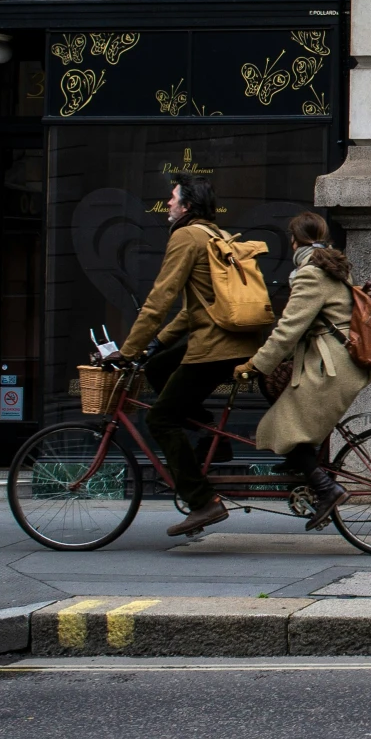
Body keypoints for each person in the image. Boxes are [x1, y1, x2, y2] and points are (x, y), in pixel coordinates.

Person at [121, 174, 267, 537]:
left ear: (186, 206)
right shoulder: (213, 234)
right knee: (158, 368)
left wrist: (128, 351)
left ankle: (203, 502)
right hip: (230, 340)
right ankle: (209, 437)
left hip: (215, 346)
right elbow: (194, 308)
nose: (168, 204)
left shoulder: (186, 236)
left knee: (161, 420)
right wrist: (156, 344)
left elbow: (159, 300)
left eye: (172, 198)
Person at [236, 211, 370, 530]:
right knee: (281, 403)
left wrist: (256, 363)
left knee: (283, 427)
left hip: (331, 368)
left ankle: (326, 489)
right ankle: (306, 469)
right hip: (335, 362)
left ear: (293, 240)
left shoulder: (311, 273)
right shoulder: (333, 266)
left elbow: (288, 329)